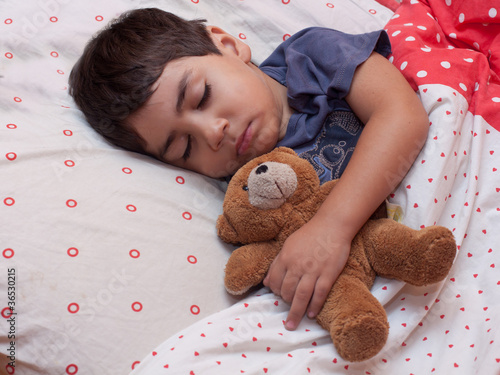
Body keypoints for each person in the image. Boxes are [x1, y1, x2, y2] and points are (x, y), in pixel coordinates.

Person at [69, 8, 429, 332]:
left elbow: (402, 115)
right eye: (185, 147)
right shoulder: (246, 194)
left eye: (201, 97)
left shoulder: (313, 58)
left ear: (227, 45)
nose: (213, 132)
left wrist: (331, 228)